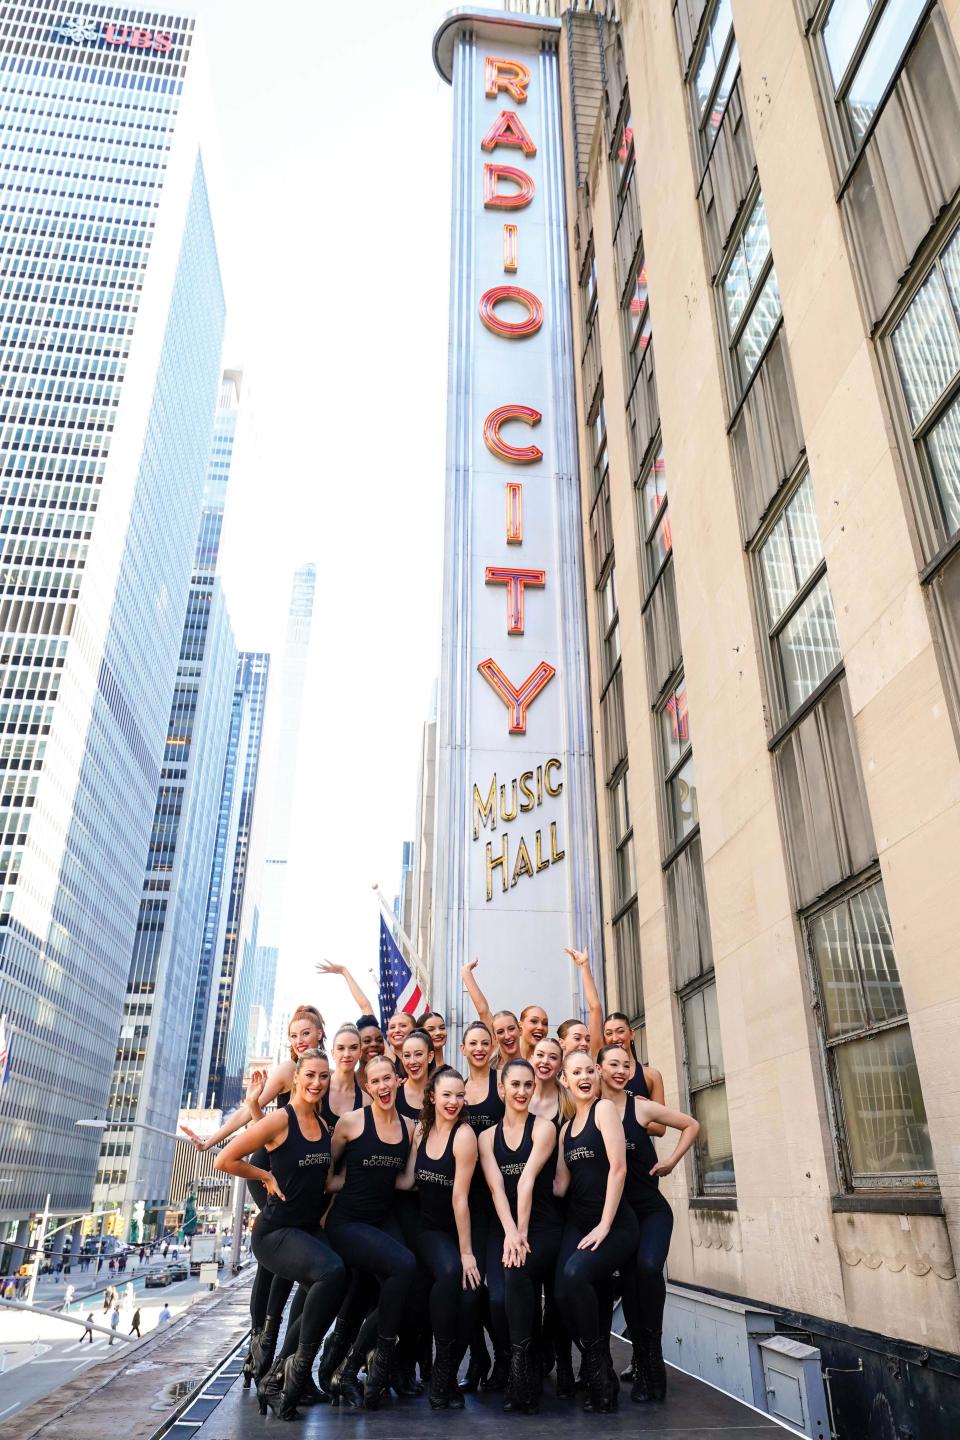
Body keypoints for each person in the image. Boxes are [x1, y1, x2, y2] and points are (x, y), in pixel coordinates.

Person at [185, 1004, 325, 1388]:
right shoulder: (287, 1071)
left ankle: (270, 1347)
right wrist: (211, 1140)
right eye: (294, 1036)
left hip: (302, 1170)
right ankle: (259, 1341)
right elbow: (250, 1115)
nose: (299, 1041)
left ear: (320, 1035)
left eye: (306, 1034)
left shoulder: (324, 1072)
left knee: (290, 1254)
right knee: (276, 1254)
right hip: (271, 1168)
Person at [215, 1048, 347, 1421]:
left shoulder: (323, 1128)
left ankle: (278, 1377)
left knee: (335, 1282)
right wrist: (265, 1176)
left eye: (324, 1076)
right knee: (331, 1272)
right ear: (295, 1079)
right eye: (310, 1076)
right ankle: (289, 1376)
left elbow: (324, 1181)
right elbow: (225, 1159)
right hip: (275, 1232)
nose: (317, 1083)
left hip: (305, 1230)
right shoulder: (280, 1120)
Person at [598, 1043, 698, 1403]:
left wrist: (671, 1161)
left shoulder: (639, 1107)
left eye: (626, 1064)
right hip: (621, 1219)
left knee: (648, 1267)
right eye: (613, 1064)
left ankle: (653, 1358)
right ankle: (640, 1359)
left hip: (651, 1211)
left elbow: (691, 1124)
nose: (621, 1070)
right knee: (629, 1283)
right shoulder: (592, 1109)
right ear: (599, 1068)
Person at [323, 1055, 417, 1410]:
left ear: (398, 1081)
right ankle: (359, 1367)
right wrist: (341, 1185)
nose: (382, 1087)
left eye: (387, 1079)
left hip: (381, 1219)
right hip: (347, 1223)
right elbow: (326, 1174)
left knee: (412, 1280)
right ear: (367, 1088)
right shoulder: (350, 1123)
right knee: (404, 1266)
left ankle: (356, 1365)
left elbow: (406, 1180)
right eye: (374, 1081)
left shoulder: (409, 1128)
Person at [553, 1050, 640, 1414]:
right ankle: (599, 1362)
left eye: (590, 1070)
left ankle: (599, 1377)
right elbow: (559, 1185)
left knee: (575, 1275)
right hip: (579, 1222)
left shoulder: (604, 1110)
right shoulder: (565, 1129)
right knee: (560, 1295)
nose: (585, 1077)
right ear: (565, 1080)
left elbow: (618, 1169)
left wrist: (605, 1224)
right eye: (576, 1072)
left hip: (615, 1223)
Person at [480, 1058, 563, 1414]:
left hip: (542, 1228)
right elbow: (498, 1188)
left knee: (518, 1273)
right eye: (514, 1085)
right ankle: (513, 1358)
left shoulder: (544, 1128)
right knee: (497, 1300)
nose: (521, 1092)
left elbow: (527, 1179)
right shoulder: (486, 1137)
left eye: (528, 1085)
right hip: (504, 1228)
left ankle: (521, 1379)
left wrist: (522, 1236)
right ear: (501, 1088)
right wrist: (511, 1233)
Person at [399, 1065, 481, 1408]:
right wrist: (350, 1181)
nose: (454, 1102)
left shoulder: (464, 1136)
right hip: (426, 1229)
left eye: (460, 1096)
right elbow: (406, 1181)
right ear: (432, 1096)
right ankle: (440, 1379)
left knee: (470, 1294)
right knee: (448, 1274)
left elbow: (460, 1199)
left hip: (454, 1229)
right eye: (447, 1095)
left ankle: (443, 1377)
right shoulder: (421, 1131)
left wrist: (467, 1252)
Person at [602, 1011, 667, 1129]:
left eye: (620, 1031)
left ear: (632, 1034)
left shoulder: (651, 1075)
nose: (615, 1038)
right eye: (609, 1033)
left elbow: (660, 1128)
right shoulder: (600, 1076)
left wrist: (619, 1123)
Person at [322, 1024, 367, 1124]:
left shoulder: (367, 1102)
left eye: (353, 1048)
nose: (347, 1054)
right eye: (341, 1048)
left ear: (360, 1053)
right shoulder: (317, 1089)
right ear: (333, 1053)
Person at [396, 1028, 433, 1120]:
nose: (412, 1061)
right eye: (407, 1056)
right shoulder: (394, 1094)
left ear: (430, 1056)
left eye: (418, 1054)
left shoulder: (440, 1093)